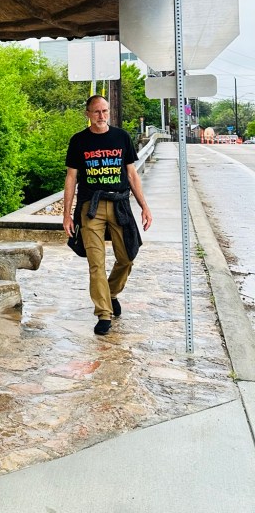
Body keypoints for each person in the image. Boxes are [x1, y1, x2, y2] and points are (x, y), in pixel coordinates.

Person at [62, 94, 152, 336]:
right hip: (91, 207)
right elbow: (71, 178)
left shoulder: (121, 137)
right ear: (88, 114)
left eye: (105, 111)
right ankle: (103, 313)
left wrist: (144, 206)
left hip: (120, 204)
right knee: (96, 264)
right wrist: (67, 214)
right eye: (96, 112)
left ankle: (110, 293)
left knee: (127, 257)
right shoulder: (79, 141)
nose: (102, 116)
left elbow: (132, 174)